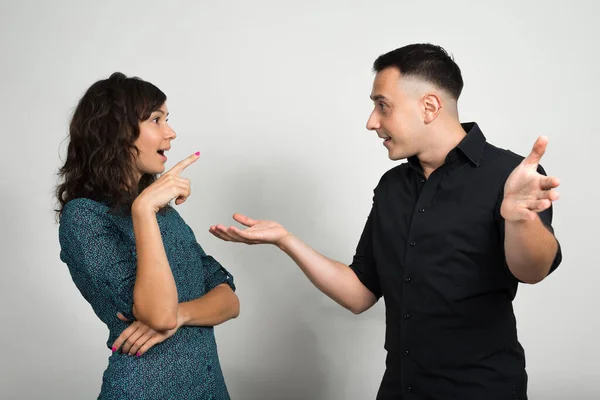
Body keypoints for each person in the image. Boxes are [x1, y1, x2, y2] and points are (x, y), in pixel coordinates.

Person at [209, 43, 562, 399]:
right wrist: (285, 239)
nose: (371, 122)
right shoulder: (392, 186)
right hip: (401, 389)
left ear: (429, 107)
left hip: (482, 390)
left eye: (383, 105)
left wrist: (521, 221)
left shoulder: (513, 176)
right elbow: (360, 293)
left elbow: (531, 271)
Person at [56, 72, 239, 399]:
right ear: (115, 131)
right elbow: (157, 313)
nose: (171, 132)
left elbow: (228, 299)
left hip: (209, 386)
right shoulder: (84, 216)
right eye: (156, 119)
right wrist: (143, 210)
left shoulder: (165, 215)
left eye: (167, 119)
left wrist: (182, 315)